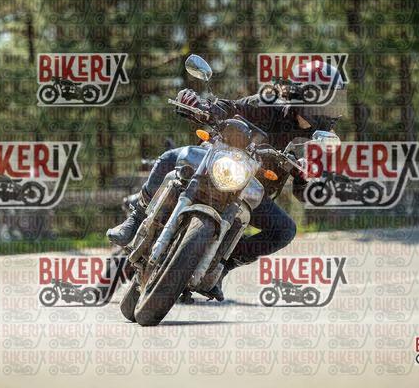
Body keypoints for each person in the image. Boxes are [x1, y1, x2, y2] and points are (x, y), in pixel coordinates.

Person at [107, 88, 337, 301]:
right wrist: (202, 106)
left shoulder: (319, 140)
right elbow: (229, 107)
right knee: (169, 158)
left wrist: (307, 177)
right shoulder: (267, 105)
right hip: (215, 167)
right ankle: (136, 218)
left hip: (247, 193)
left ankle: (221, 264)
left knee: (285, 230)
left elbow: (306, 193)